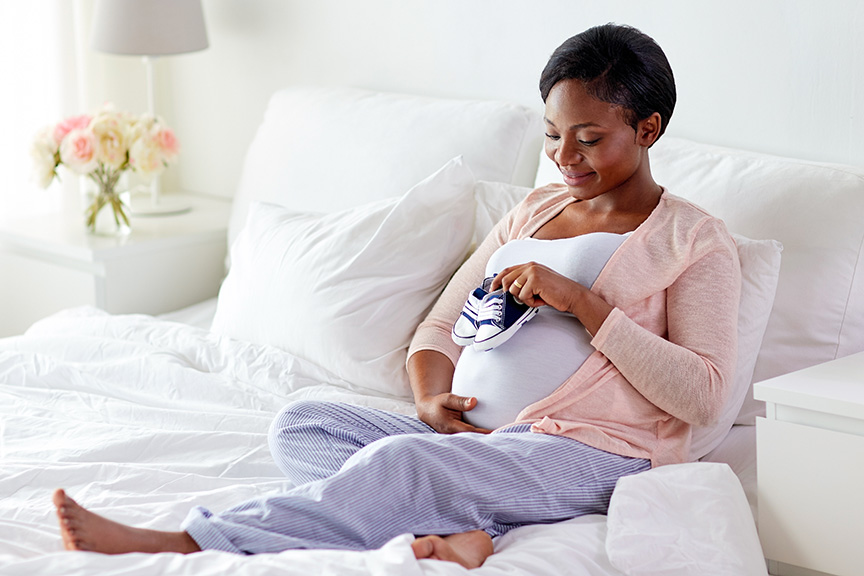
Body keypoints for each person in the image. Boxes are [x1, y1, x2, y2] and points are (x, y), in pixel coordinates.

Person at [52, 23, 740, 569]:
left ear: (647, 129)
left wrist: (584, 304)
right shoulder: (531, 210)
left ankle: (194, 542)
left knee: (401, 463)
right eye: (555, 136)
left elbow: (705, 396)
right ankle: (472, 525)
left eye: (590, 140)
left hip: (596, 451)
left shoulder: (694, 240)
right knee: (304, 425)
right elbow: (441, 325)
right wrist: (428, 400)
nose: (565, 157)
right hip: (476, 440)